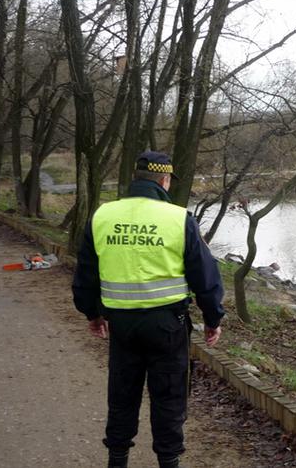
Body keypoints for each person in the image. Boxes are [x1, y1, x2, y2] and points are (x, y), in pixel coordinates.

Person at [72, 151, 225, 468]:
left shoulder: (103, 216)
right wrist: (213, 319)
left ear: (135, 178)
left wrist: (92, 313)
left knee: (122, 395)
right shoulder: (178, 218)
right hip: (167, 326)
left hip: (122, 326)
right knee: (168, 397)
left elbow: (86, 272)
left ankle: (117, 460)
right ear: (165, 180)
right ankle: (169, 463)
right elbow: (204, 274)